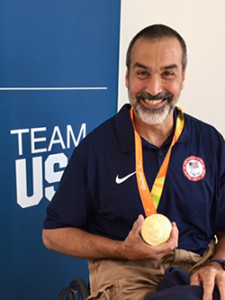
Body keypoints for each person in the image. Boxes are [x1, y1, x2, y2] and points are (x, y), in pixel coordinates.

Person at [42, 24, 225, 300]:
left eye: (167, 74)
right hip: (126, 271)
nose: (154, 88)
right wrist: (122, 250)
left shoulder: (210, 141)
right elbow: (53, 234)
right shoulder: (96, 148)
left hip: (199, 264)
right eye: (142, 73)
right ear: (127, 76)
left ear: (183, 77)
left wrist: (217, 263)